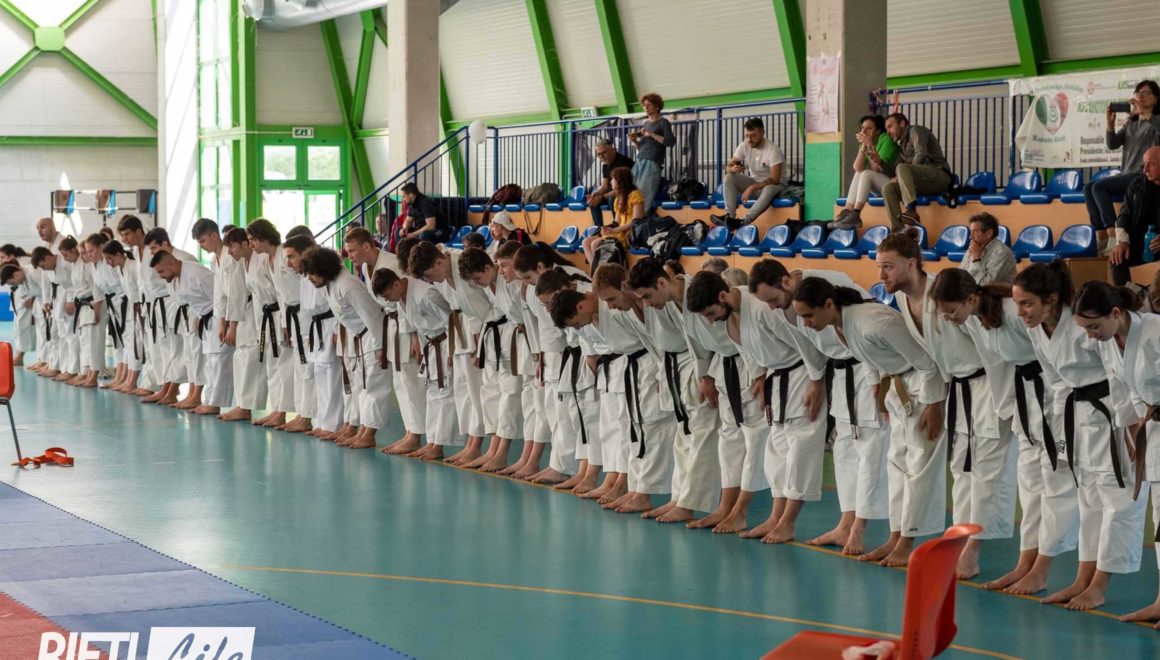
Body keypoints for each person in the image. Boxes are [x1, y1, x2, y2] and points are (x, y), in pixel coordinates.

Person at [928, 268, 1080, 595]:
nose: (948, 319)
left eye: (951, 311)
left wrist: (1060, 411)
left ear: (971, 298)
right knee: (1030, 484)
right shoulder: (976, 319)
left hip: (1054, 396)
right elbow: (996, 364)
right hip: (1024, 400)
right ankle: (1025, 563)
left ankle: (1042, 568)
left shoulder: (1014, 313)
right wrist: (1007, 408)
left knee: (1055, 484)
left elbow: (1052, 357)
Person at [879, 231, 1015, 577]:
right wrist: (935, 401)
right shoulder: (903, 301)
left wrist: (1006, 403)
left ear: (911, 264)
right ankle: (959, 541)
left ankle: (972, 550)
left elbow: (993, 353)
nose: (882, 275)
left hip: (988, 386)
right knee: (961, 470)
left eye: (888, 266)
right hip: (958, 389)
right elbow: (930, 358)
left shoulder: (947, 291)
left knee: (986, 472)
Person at [1014, 261, 1148, 610]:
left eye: (1027, 303)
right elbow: (1056, 382)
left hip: (1112, 413)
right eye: (1018, 304)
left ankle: (1099, 585)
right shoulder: (1038, 329)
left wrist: (1130, 425)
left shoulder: (1085, 325)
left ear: (1051, 300)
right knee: (1089, 500)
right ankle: (1082, 579)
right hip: (1077, 417)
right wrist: (1059, 432)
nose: (1021, 312)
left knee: (1119, 500)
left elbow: (1119, 374)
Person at [793, 277, 947, 568]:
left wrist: (934, 405)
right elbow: (868, 357)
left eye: (808, 315)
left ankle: (908, 542)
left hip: (923, 386)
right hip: (899, 385)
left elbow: (927, 362)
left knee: (918, 467)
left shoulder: (873, 322)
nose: (805, 323)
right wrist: (878, 386)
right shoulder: (842, 323)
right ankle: (894, 538)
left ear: (828, 304)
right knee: (897, 465)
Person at [748, 260, 889, 556]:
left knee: (870, 447)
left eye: (772, 299)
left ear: (786, 282)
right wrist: (816, 380)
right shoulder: (789, 306)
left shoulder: (830, 281)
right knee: (844, 450)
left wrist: (878, 378)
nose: (772, 307)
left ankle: (859, 528)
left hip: (867, 368)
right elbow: (806, 345)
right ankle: (845, 523)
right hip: (838, 372)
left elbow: (866, 327)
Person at [690, 269, 829, 544]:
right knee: (776, 452)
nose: (710, 320)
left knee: (800, 450)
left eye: (710, 313)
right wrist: (760, 378)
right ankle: (775, 518)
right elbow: (749, 352)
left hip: (802, 374)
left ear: (723, 295)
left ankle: (788, 522)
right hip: (776, 377)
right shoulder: (732, 318)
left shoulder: (761, 309)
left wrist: (817, 381)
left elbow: (804, 340)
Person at [1072, 280, 1160, 626]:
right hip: (1152, 430)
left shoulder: (1154, 332)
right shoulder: (1110, 342)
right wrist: (1132, 433)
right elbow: (1120, 390)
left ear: (1115, 313)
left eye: (1094, 326)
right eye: (1085, 329)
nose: (1091, 336)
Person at [625, 258, 722, 524]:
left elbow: (711, 337)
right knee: (683, 436)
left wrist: (706, 374)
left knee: (702, 436)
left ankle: (690, 503)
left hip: (702, 367)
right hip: (676, 366)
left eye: (647, 296)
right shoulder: (666, 299)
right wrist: (661, 372)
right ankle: (678, 496)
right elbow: (659, 340)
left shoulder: (695, 292)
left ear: (661, 282)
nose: (647, 303)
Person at [591, 263, 678, 514]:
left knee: (654, 429)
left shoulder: (657, 301)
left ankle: (645, 493)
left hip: (662, 366)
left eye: (612, 299)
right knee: (636, 429)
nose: (610, 307)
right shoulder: (626, 310)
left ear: (624, 286)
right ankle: (636, 487)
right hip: (652, 366)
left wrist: (662, 373)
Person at [407, 241, 491, 464]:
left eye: (429, 274)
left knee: (476, 391)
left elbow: (486, 303)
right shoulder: (444, 272)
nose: (430, 280)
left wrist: (480, 340)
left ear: (438, 262)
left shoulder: (463, 264)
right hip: (459, 330)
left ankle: (477, 445)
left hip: (478, 330)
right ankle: (470, 444)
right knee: (463, 391)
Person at [300, 247, 390, 450]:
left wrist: (382, 348)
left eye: (312, 273)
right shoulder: (332, 284)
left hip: (372, 336)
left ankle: (369, 434)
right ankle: (361, 430)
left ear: (323, 269)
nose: (310, 278)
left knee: (374, 387)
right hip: (358, 338)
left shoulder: (348, 285)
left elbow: (374, 317)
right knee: (361, 387)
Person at [372, 265, 461, 456]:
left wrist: (453, 350)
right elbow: (414, 324)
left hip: (445, 344)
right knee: (432, 395)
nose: (387, 300)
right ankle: (432, 441)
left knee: (445, 394)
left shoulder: (426, 294)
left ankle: (439, 445)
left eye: (387, 295)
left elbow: (452, 320)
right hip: (430, 344)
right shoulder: (402, 296)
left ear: (396, 284)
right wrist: (417, 341)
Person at [1086, 80, 1160, 254]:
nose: (1140, 96)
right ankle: (1101, 235)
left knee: (1098, 187)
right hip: (1126, 173)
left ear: (1156, 99)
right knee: (1088, 187)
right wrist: (1110, 124)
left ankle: (1113, 233)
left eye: (1145, 93)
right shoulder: (1131, 122)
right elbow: (1112, 144)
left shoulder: (1156, 121)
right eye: (1138, 93)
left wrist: (1144, 113)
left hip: (1142, 175)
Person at [244, 220, 295, 429]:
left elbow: (285, 293)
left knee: (285, 366)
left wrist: (284, 323)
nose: (251, 244)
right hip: (271, 317)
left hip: (284, 315)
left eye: (253, 239)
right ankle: (276, 409)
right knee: (273, 366)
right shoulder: (266, 259)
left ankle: (283, 412)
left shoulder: (284, 255)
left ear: (264, 237)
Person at [190, 219, 236, 416]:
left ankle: (216, 402)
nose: (201, 245)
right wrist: (221, 321)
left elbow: (234, 293)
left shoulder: (231, 257)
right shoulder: (214, 260)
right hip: (221, 314)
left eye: (202, 240)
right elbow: (219, 294)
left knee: (221, 360)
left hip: (237, 314)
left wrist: (230, 324)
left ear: (214, 235)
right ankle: (210, 400)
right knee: (213, 359)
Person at [220, 227, 267, 422]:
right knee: (242, 360)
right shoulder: (242, 261)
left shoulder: (255, 260)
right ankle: (242, 405)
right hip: (249, 313)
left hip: (253, 314)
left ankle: (246, 407)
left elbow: (237, 295)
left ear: (245, 244)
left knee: (250, 361)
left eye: (232, 247)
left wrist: (232, 327)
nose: (230, 252)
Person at [882, 113, 952, 231]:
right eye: (886, 129)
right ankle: (898, 232)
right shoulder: (901, 145)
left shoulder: (915, 130)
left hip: (939, 175)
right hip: (923, 182)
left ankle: (911, 210)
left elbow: (921, 153)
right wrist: (879, 162)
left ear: (902, 123)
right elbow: (893, 170)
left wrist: (903, 173)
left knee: (902, 168)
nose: (888, 132)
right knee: (888, 188)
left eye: (890, 126)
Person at [712, 117, 786, 228]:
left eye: (753, 135)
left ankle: (744, 221)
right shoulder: (745, 145)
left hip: (775, 187)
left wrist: (752, 187)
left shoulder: (773, 150)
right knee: (729, 177)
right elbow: (728, 167)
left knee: (769, 188)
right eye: (747, 135)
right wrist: (732, 169)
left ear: (762, 133)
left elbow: (775, 180)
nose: (749, 139)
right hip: (755, 185)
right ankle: (730, 217)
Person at [831, 115, 898, 230]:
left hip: (893, 185)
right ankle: (847, 211)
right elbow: (857, 167)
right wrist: (863, 147)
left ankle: (856, 214)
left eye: (869, 128)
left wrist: (869, 145)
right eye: (862, 128)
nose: (864, 131)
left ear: (878, 131)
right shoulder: (867, 143)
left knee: (867, 173)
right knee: (860, 173)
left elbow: (876, 169)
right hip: (881, 185)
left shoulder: (886, 140)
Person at [1107, 146, 1160, 286]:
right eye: (1144, 164)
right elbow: (1124, 215)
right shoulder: (1137, 185)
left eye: (1152, 164)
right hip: (1139, 244)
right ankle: (1127, 295)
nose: (1146, 169)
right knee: (1117, 257)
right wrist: (1122, 242)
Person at [582, 167, 642, 265]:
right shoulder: (618, 198)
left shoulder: (635, 195)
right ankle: (596, 271)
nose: (611, 182)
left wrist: (614, 230)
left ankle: (601, 271)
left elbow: (636, 221)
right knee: (586, 242)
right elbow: (616, 222)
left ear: (620, 181)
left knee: (595, 244)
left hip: (629, 233)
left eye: (613, 179)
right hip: (618, 231)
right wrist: (607, 228)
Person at [628, 92, 676, 211]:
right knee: (632, 191)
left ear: (657, 106)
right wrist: (635, 141)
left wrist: (652, 135)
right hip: (640, 160)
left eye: (649, 105)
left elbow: (670, 142)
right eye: (644, 105)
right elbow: (642, 147)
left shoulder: (663, 122)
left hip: (653, 161)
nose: (646, 108)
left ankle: (641, 217)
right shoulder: (646, 123)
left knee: (644, 194)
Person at [586, 139, 634, 228]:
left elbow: (622, 189)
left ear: (612, 150)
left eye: (604, 152)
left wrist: (602, 197)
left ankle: (617, 225)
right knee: (593, 200)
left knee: (612, 199)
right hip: (614, 192)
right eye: (599, 154)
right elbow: (604, 186)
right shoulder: (605, 164)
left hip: (626, 192)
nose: (601, 156)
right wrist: (595, 195)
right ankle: (598, 228)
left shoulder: (623, 162)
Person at [960, 212, 1017, 285]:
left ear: (989, 233)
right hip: (971, 291)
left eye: (975, 232)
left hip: (994, 292)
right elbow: (960, 275)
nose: (970, 237)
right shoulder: (973, 248)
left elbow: (985, 285)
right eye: (971, 232)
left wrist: (976, 259)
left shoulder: (1002, 252)